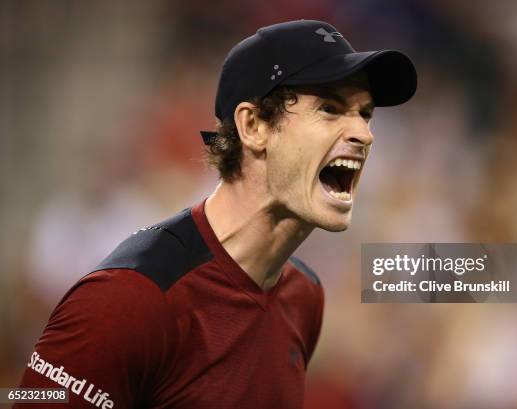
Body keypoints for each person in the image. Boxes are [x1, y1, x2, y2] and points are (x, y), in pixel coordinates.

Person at [16, 19, 416, 408]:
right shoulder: (128, 301)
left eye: (365, 114)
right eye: (330, 108)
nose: (364, 134)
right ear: (254, 125)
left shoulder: (305, 297)